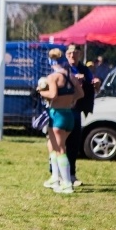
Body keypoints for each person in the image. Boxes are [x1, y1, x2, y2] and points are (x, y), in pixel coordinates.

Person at [39, 48, 84, 194]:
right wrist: (71, 101)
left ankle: (66, 183)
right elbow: (80, 93)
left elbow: (52, 94)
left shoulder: (53, 77)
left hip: (57, 115)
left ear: (51, 61)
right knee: (52, 146)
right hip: (69, 115)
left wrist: (40, 91)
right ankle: (54, 178)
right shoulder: (71, 75)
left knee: (60, 149)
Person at [64, 45, 94, 187]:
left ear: (79, 54)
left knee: (74, 144)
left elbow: (90, 83)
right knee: (60, 144)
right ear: (65, 55)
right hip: (62, 110)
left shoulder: (84, 69)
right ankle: (56, 174)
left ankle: (71, 175)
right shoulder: (62, 68)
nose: (72, 55)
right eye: (69, 53)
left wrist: (94, 82)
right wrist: (73, 79)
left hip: (76, 111)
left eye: (74, 53)